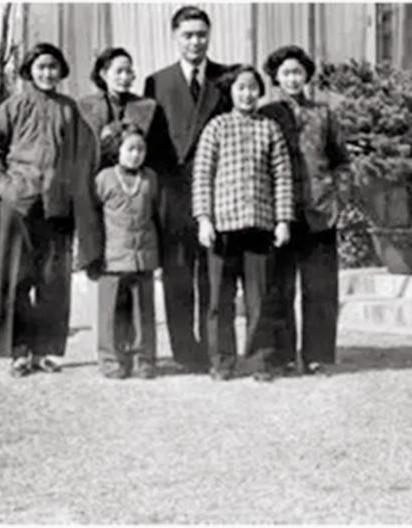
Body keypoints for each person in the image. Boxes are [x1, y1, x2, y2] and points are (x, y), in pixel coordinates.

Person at [0, 43, 96, 375]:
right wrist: (4, 186)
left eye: (53, 67)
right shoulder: (13, 106)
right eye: (41, 67)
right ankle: (19, 351)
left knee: (54, 279)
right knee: (16, 276)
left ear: (61, 70)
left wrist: (71, 192)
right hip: (18, 203)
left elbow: (83, 155)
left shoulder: (70, 109)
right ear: (29, 70)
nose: (47, 73)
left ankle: (46, 350)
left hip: (57, 206)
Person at [143, 5, 232, 372]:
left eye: (201, 35)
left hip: (217, 191)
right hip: (174, 192)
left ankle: (214, 349)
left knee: (213, 273)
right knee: (178, 274)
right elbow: (152, 143)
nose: (195, 42)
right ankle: (185, 350)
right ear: (175, 37)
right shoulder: (157, 82)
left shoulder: (226, 77)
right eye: (188, 35)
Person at [192, 65, 293, 381]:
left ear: (260, 92)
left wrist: (282, 220)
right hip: (222, 228)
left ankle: (259, 361)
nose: (247, 94)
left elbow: (282, 177)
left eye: (252, 88)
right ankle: (222, 361)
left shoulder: (270, 129)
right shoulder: (217, 127)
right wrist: (204, 219)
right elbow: (202, 176)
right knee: (219, 300)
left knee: (259, 300)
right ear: (230, 92)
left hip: (260, 227)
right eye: (241, 88)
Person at [260, 45, 351, 374]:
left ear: (306, 76)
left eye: (297, 72)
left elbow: (341, 161)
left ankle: (317, 355)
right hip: (280, 213)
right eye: (286, 73)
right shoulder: (267, 115)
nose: (292, 79)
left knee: (320, 288)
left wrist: (338, 198)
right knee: (280, 287)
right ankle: (282, 355)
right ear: (276, 78)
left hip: (319, 211)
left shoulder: (323, 114)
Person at [78, 46, 174, 278]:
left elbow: (160, 154)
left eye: (129, 72)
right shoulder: (84, 107)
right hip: (98, 190)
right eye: (119, 71)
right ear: (103, 74)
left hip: (136, 192)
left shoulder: (148, 108)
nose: (125, 77)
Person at [92, 123, 161, 379]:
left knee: (143, 312)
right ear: (116, 150)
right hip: (112, 258)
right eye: (130, 149)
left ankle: (144, 360)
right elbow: (93, 217)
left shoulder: (150, 178)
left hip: (143, 256)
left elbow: (156, 214)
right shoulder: (104, 178)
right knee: (111, 313)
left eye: (141, 149)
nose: (136, 155)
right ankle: (112, 360)